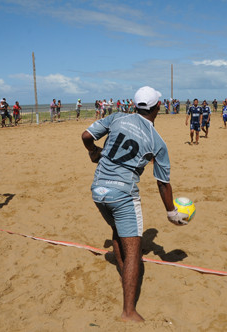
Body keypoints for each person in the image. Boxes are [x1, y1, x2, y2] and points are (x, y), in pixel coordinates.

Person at [81, 86, 188, 322]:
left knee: (118, 232)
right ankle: (129, 311)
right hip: (122, 194)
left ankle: (124, 277)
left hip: (98, 190)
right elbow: (162, 183)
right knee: (134, 252)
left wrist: (93, 153)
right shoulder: (156, 140)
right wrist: (171, 213)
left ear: (135, 105)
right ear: (158, 107)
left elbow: (86, 136)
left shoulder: (117, 117)